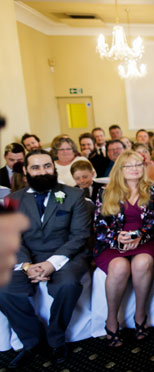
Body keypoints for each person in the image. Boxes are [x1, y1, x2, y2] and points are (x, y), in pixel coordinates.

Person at [0, 150, 90, 368]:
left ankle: (56, 338)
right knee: (5, 289)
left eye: (47, 166)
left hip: (67, 255)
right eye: (36, 167)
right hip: (27, 257)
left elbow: (79, 236)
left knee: (67, 285)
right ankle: (32, 341)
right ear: (25, 170)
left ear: (54, 167)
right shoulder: (13, 199)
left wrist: (51, 264)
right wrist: (27, 265)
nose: (42, 172)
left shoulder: (74, 195)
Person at [93, 150, 154, 347]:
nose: (134, 169)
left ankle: (140, 314)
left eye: (137, 165)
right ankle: (111, 320)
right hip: (113, 244)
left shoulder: (153, 189)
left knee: (143, 262)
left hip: (146, 240)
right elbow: (100, 225)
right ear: (120, 169)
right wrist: (117, 238)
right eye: (129, 166)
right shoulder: (105, 192)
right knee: (119, 267)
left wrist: (141, 234)